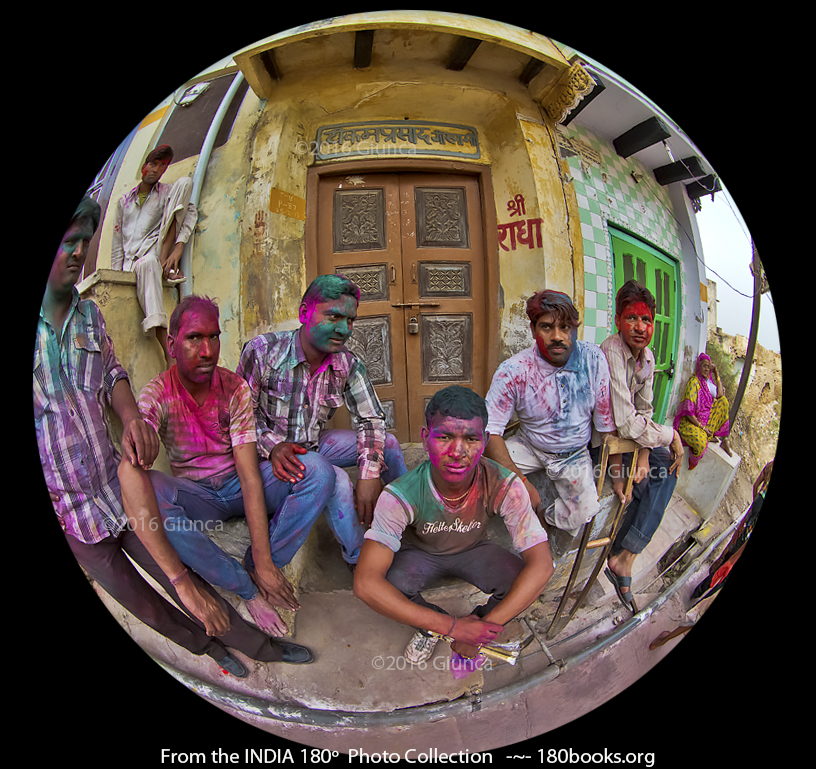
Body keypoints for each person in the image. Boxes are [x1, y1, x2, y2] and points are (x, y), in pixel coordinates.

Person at [35, 196, 296, 677]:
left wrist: (130, 414)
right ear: (174, 344)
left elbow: (111, 371)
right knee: (148, 606)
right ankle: (207, 649)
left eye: (83, 243)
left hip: (114, 491)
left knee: (182, 574)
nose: (77, 253)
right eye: (67, 242)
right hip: (69, 514)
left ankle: (260, 647)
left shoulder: (88, 317)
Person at [134, 294, 314, 662]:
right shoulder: (157, 394)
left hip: (236, 484)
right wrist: (249, 590)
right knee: (146, 487)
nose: (207, 350)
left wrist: (263, 560)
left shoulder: (234, 388)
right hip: (198, 496)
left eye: (214, 337)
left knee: (317, 472)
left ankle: (264, 566)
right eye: (194, 338)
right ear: (171, 344)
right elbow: (142, 435)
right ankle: (245, 586)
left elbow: (249, 477)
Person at [354, 386, 554, 665]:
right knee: (388, 581)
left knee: (521, 579)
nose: (457, 451)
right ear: (425, 439)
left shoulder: (505, 484)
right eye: (444, 436)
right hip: (421, 554)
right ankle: (430, 625)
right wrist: (451, 627)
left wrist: (481, 632)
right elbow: (365, 584)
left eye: (471, 438)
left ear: (484, 441)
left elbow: (543, 565)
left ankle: (479, 622)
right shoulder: (400, 495)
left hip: (474, 550)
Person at [236, 274, 408, 570]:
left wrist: (368, 475)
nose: (343, 329)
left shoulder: (347, 364)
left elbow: (371, 419)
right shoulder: (262, 352)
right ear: (304, 313)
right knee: (337, 479)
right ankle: (361, 560)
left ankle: (404, 522)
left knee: (387, 445)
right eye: (333, 316)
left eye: (350, 320)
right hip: (269, 459)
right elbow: (239, 420)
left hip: (314, 446)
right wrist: (274, 446)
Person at [484, 289, 617, 536]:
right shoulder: (513, 370)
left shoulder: (594, 360)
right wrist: (521, 482)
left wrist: (618, 471)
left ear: (575, 329)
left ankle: (546, 518)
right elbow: (490, 431)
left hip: (573, 454)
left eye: (566, 327)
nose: (557, 336)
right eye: (547, 327)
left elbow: (606, 425)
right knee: (476, 471)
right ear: (533, 330)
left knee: (585, 511)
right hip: (529, 445)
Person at [596, 280, 684, 608]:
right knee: (655, 472)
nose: (640, 327)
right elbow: (626, 422)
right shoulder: (611, 351)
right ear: (618, 319)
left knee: (665, 470)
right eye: (632, 318)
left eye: (646, 320)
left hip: (629, 444)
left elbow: (645, 411)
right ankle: (621, 553)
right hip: (602, 443)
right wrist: (671, 435)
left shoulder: (648, 358)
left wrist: (645, 454)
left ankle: (625, 555)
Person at [111, 144, 196, 362]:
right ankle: (166, 346)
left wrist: (179, 247)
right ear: (144, 167)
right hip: (134, 262)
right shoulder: (124, 202)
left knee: (186, 182)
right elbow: (117, 244)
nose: (157, 170)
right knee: (148, 263)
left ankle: (165, 264)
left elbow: (189, 213)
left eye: (163, 166)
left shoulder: (166, 193)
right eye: (154, 164)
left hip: (157, 250)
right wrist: (116, 277)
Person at [674, 352, 732, 469]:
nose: (707, 369)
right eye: (704, 365)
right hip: (692, 422)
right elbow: (689, 412)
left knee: (724, 401)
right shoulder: (694, 382)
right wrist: (702, 427)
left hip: (706, 421)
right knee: (700, 444)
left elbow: (720, 395)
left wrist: (716, 374)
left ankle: (720, 438)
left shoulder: (709, 383)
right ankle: (692, 463)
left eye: (709, 367)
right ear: (699, 366)